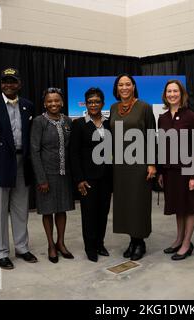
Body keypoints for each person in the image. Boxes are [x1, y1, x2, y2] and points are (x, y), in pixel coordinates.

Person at [0, 67, 38, 269]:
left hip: (22, 163)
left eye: (12, 81)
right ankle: (1, 252)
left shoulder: (28, 106)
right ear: (1, 84)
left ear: (19, 83)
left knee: (21, 209)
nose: (9, 85)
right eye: (5, 81)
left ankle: (21, 247)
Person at [109, 73, 156, 261]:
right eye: (121, 85)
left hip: (140, 163)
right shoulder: (113, 108)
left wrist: (152, 163)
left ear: (134, 86)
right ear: (117, 88)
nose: (124, 87)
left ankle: (140, 241)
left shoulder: (144, 107)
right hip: (120, 164)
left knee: (139, 202)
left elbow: (152, 135)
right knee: (125, 203)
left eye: (128, 84)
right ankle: (132, 240)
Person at [157, 80, 194, 261]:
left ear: (181, 94)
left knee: (190, 207)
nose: (172, 94)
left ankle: (186, 244)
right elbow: (161, 145)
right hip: (170, 172)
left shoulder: (191, 116)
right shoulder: (162, 118)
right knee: (178, 206)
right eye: (169, 91)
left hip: (187, 170)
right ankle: (178, 239)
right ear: (165, 95)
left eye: (175, 91)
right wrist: (161, 171)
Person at [30, 87, 75, 263]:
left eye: (56, 100)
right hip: (46, 175)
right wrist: (41, 179)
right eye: (50, 101)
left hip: (64, 174)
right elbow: (34, 151)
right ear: (44, 103)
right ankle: (50, 245)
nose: (53, 104)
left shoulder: (68, 121)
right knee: (48, 211)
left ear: (62, 102)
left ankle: (61, 243)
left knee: (62, 209)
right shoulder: (39, 122)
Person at [71, 87, 112, 262]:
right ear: (85, 104)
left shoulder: (109, 123)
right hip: (87, 178)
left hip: (106, 176)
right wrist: (79, 179)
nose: (93, 104)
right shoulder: (79, 124)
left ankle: (100, 244)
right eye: (90, 102)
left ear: (102, 103)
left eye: (96, 101)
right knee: (89, 213)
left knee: (103, 212)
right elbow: (74, 154)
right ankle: (90, 247)